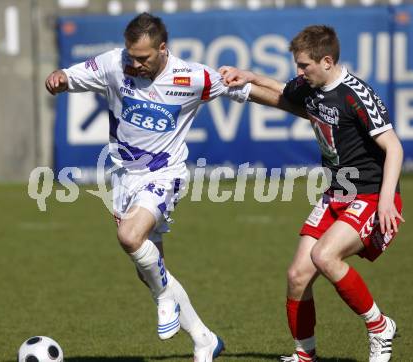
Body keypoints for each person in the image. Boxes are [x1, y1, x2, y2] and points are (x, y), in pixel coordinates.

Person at [45, 12, 252, 362]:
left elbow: (245, 90)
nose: (135, 63)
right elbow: (70, 75)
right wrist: (59, 78)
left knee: (129, 238)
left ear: (162, 49)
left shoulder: (191, 76)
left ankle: (164, 300)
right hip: (125, 178)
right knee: (150, 272)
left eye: (143, 57)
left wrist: (296, 103)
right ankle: (204, 339)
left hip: (164, 173)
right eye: (131, 56)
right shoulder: (114, 64)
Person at [220, 25, 404, 362]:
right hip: (338, 192)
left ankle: (379, 327)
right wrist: (247, 77)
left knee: (324, 256)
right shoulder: (310, 86)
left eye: (304, 65)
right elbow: (283, 92)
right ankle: (305, 355)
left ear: (328, 61)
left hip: (371, 195)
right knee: (297, 275)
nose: (299, 72)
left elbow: (393, 147)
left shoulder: (355, 95)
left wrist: (388, 202)